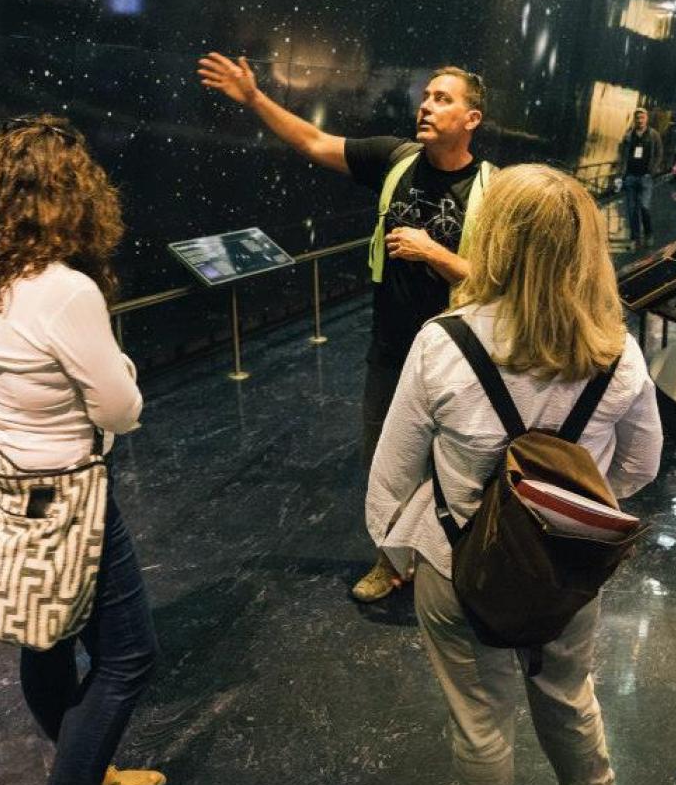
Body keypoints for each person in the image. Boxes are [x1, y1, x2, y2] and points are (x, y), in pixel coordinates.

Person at [365, 165, 662, 785]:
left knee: (479, 719)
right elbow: (642, 466)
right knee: (569, 694)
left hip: (455, 563)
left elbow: (391, 478)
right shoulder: (619, 351)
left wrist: (395, 554)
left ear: (492, 238)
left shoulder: (442, 344)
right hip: (566, 567)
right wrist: (561, 506)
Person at [197, 53, 493, 603]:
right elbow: (313, 142)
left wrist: (437, 255)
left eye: (443, 98)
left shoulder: (494, 191)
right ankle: (391, 561)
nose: (426, 105)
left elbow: (499, 281)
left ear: (471, 118)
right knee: (383, 463)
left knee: (458, 465)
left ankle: (458, 566)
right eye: (426, 96)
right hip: (390, 351)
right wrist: (255, 98)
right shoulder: (394, 159)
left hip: (461, 356)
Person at [0, 115, 162, 785]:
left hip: (8, 495)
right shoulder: (68, 290)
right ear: (70, 197)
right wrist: (124, 365)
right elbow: (120, 411)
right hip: (73, 499)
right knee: (129, 657)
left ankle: (86, 769)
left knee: (45, 636)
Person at [619, 107, 663, 246]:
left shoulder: (653, 135)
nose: (640, 120)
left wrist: (652, 170)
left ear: (646, 119)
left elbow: (659, 153)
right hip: (631, 176)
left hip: (645, 177)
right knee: (632, 210)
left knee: (644, 206)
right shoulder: (628, 136)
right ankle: (635, 238)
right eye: (637, 118)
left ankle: (649, 233)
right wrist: (622, 175)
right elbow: (622, 155)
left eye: (642, 117)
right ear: (634, 119)